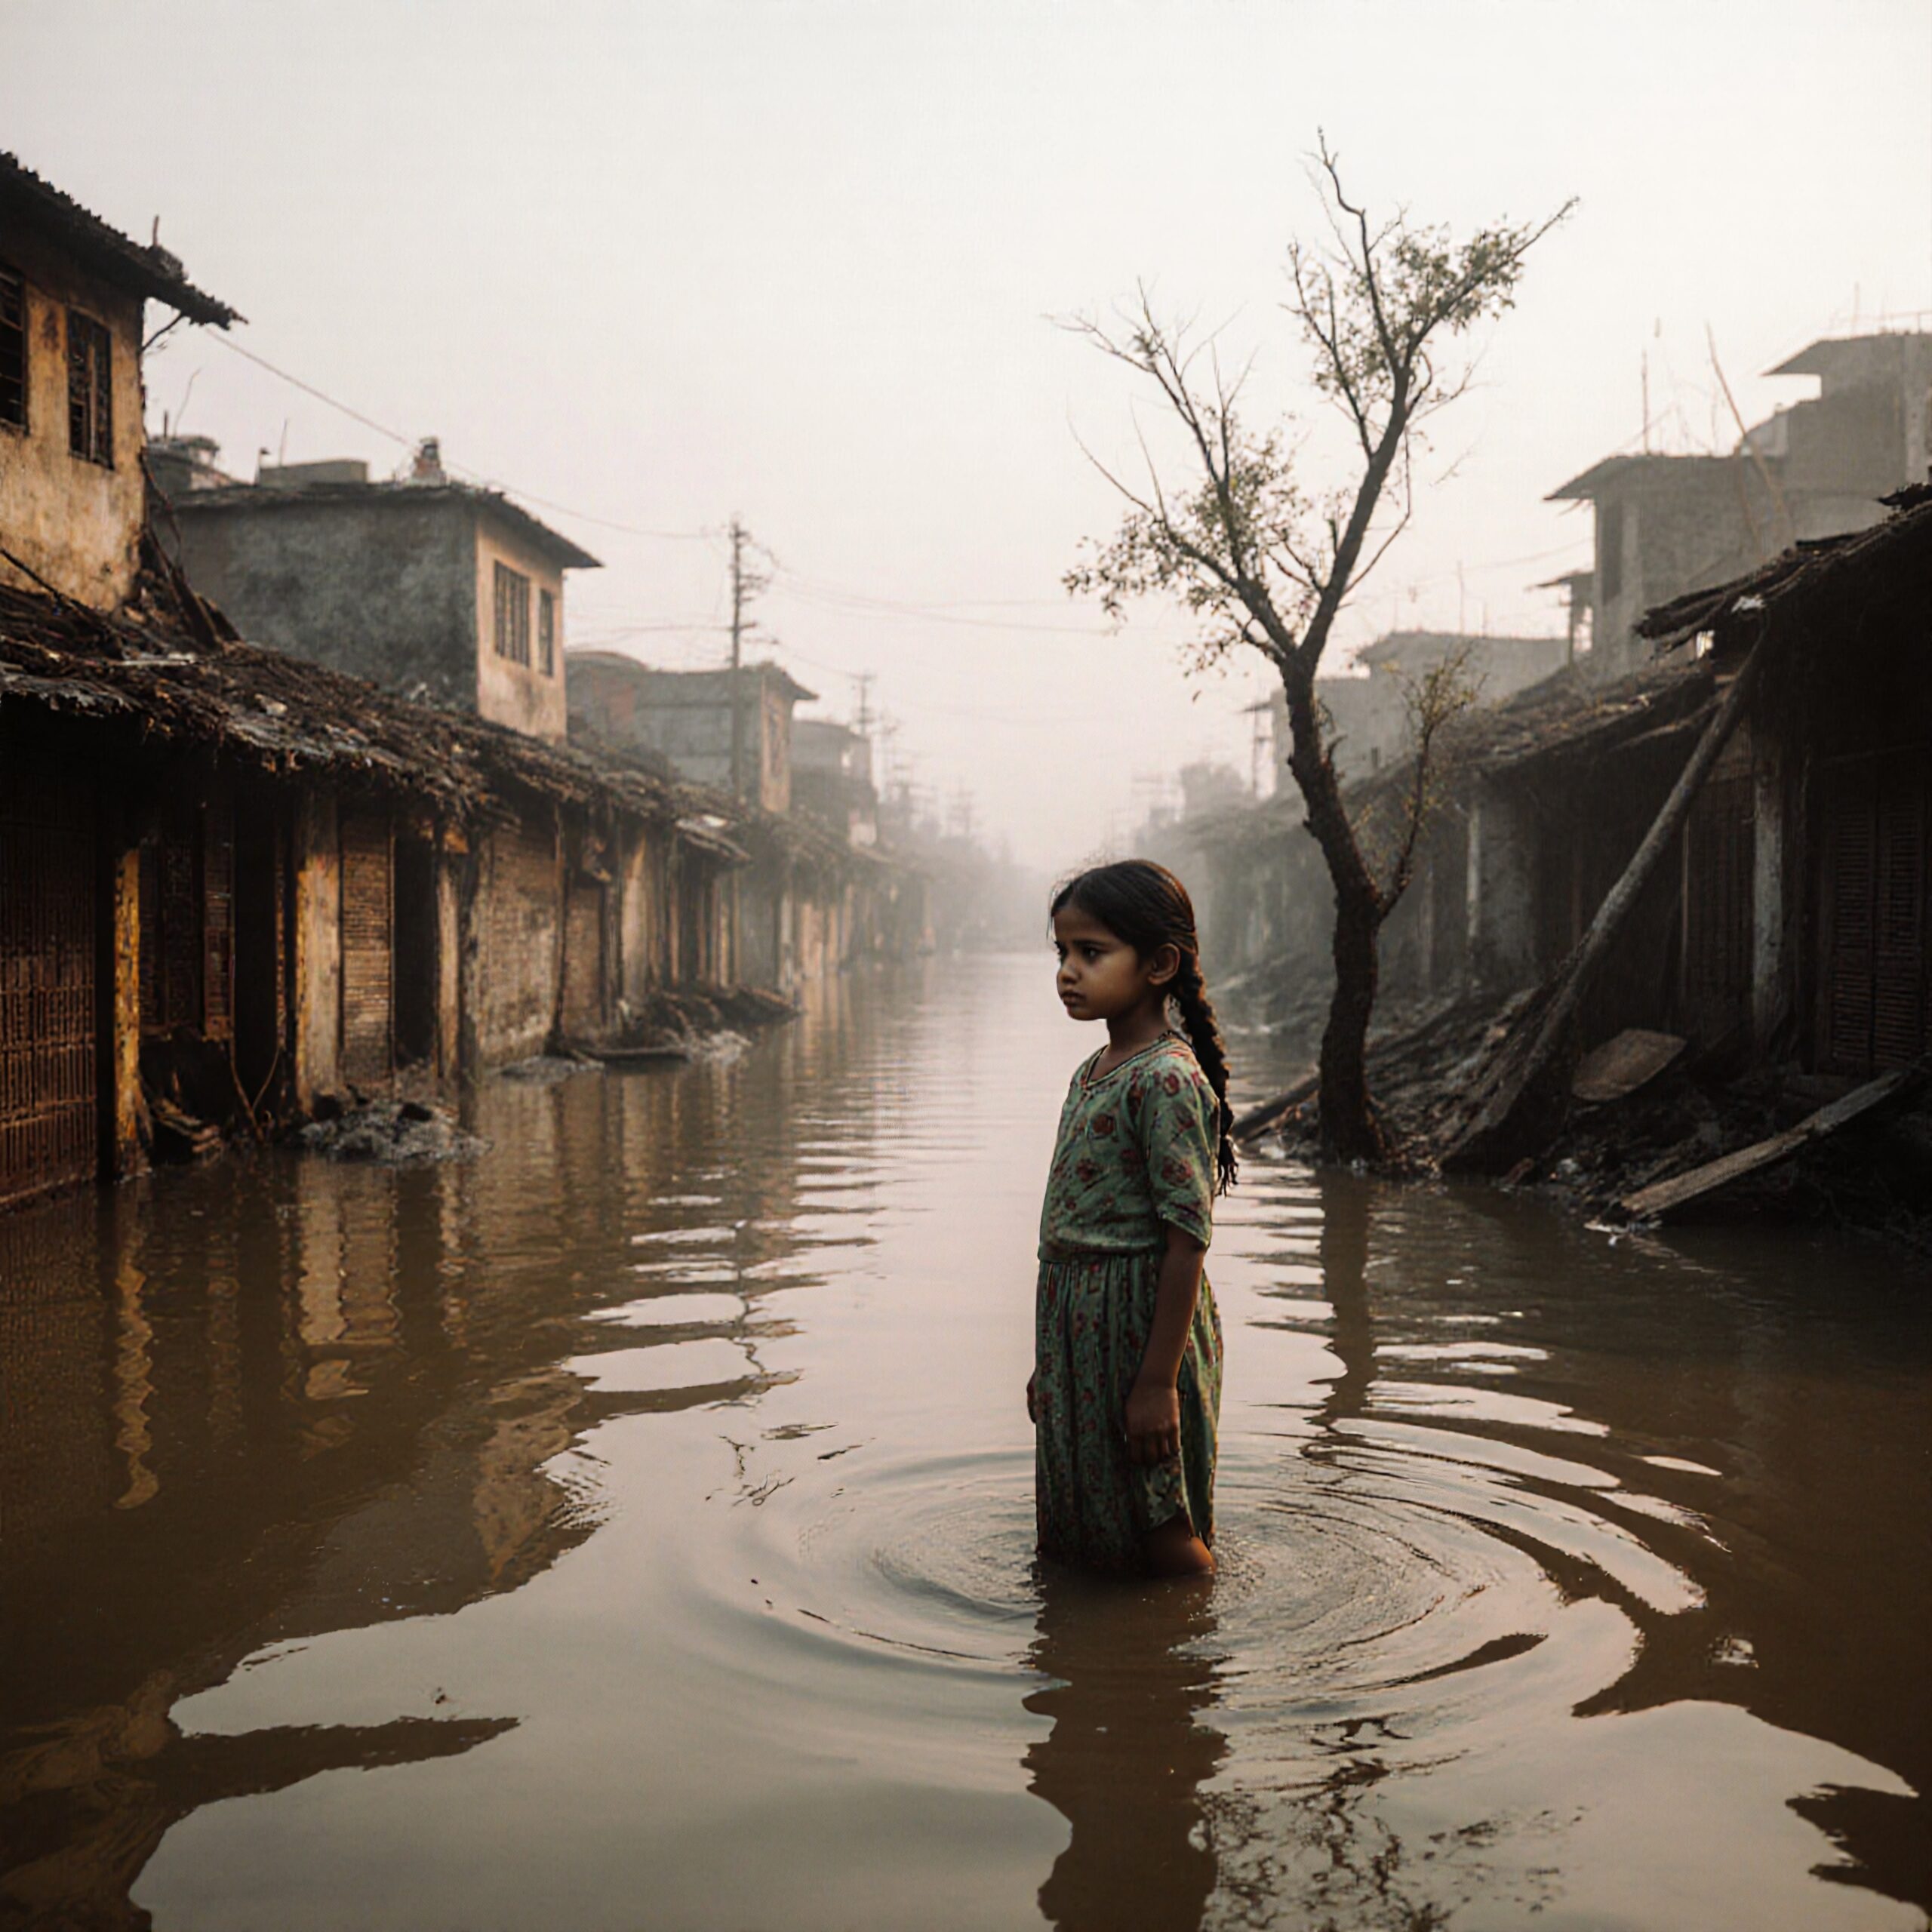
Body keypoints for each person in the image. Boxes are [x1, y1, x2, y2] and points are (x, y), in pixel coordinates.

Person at [1029, 859, 1235, 1579]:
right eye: (1062, 953)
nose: (1068, 972)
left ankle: (1189, 1661)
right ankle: (1111, 1661)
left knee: (1161, 1526)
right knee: (1084, 1518)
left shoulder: (1167, 1078)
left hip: (1142, 1326)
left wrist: (1155, 1382)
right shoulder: (1093, 1072)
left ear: (1159, 964)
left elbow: (1187, 1244)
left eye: (1091, 953)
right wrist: (1050, 1366)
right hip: (1078, 1330)